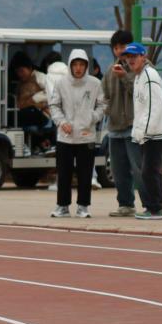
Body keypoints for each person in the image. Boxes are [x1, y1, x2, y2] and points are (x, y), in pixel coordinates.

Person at [48, 49, 107, 219]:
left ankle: (83, 206)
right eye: (75, 64)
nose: (78, 68)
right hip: (65, 136)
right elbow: (54, 105)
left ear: (87, 66)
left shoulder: (95, 83)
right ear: (70, 65)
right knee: (64, 173)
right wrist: (61, 122)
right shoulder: (61, 83)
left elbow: (102, 105)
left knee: (85, 174)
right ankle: (62, 206)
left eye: (82, 64)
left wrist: (92, 118)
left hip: (86, 135)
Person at [125, 43, 162, 220]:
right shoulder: (139, 77)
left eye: (134, 56)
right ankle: (153, 207)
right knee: (149, 171)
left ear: (143, 57)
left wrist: (144, 133)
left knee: (149, 171)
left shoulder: (149, 76)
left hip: (154, 134)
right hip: (148, 134)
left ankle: (155, 209)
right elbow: (142, 109)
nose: (130, 60)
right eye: (128, 57)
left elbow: (153, 107)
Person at [103, 30, 142, 216]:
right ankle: (126, 204)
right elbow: (103, 97)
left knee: (139, 168)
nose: (119, 51)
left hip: (134, 126)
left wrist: (124, 76)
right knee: (118, 171)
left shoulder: (140, 67)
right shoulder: (109, 71)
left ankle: (151, 205)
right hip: (115, 127)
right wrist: (103, 111)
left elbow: (140, 92)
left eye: (123, 46)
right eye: (116, 47)